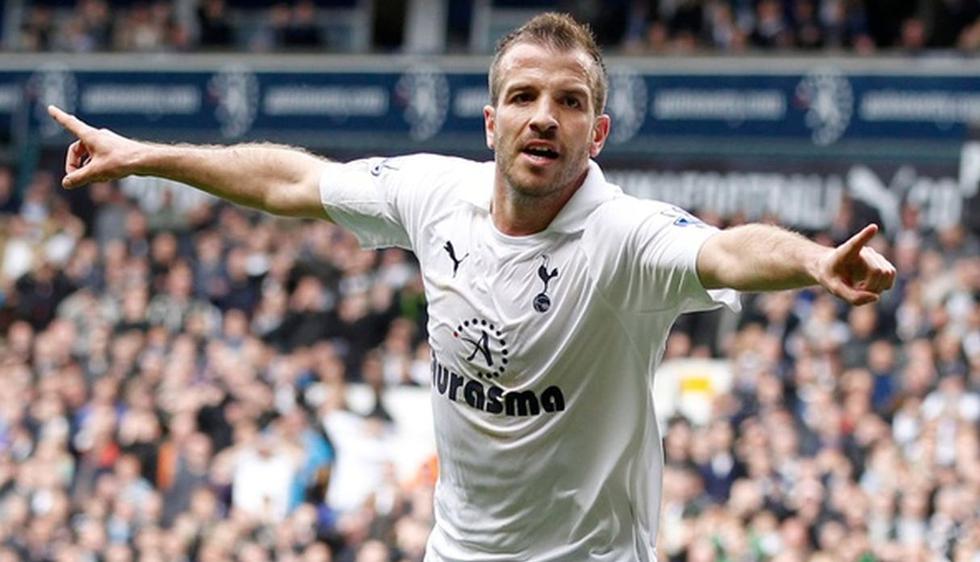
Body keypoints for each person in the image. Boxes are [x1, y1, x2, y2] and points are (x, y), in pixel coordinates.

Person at [47, 12, 895, 562]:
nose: (542, 116)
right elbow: (291, 184)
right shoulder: (431, 194)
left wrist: (815, 262)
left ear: (594, 134)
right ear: (490, 122)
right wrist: (148, 156)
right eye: (522, 96)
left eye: (568, 103)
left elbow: (729, 252)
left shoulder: (624, 236)